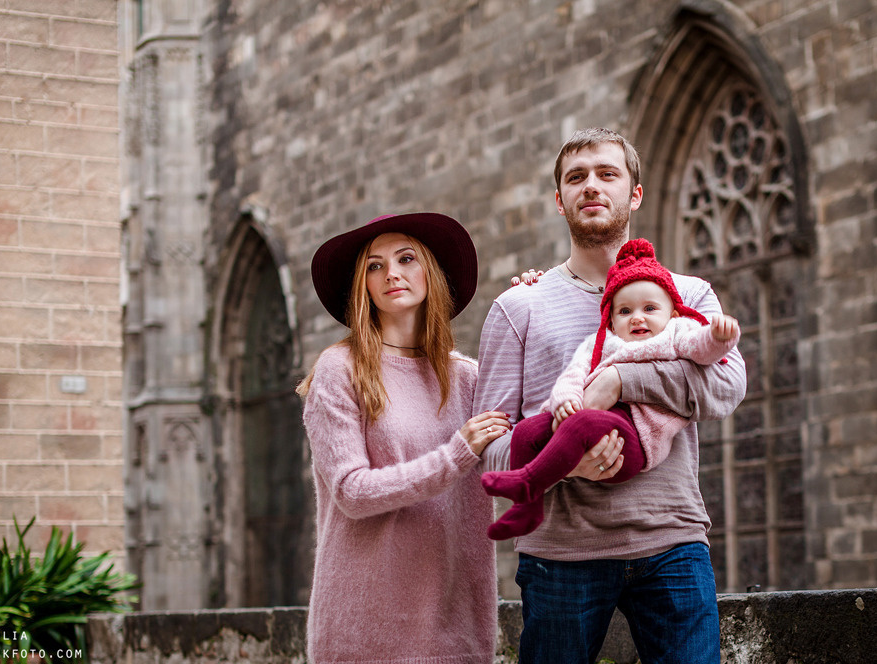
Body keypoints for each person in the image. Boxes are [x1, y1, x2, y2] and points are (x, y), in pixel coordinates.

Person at [474, 128, 747, 663]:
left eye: (607, 174)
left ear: (635, 193)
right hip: (561, 556)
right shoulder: (518, 307)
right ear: (559, 200)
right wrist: (565, 462)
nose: (591, 186)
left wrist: (623, 382)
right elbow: (490, 448)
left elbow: (726, 388)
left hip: (672, 543)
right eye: (576, 178)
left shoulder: (689, 295)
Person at [297, 212, 510, 664]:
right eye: (375, 266)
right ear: (364, 286)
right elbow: (351, 492)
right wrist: (456, 454)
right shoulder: (340, 370)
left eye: (406, 258)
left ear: (430, 271)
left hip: (456, 627)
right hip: (363, 633)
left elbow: (524, 448)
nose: (391, 273)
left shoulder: (468, 378)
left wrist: (536, 302)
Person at [481, 238, 741, 540]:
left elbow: (703, 352)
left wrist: (718, 338)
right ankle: (527, 507)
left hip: (637, 438)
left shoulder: (676, 332)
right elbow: (573, 374)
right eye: (625, 311)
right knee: (528, 431)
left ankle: (529, 480)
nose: (638, 317)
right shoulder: (602, 342)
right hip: (562, 535)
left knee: (582, 423)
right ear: (612, 322)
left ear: (672, 314)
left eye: (650, 308)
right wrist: (565, 400)